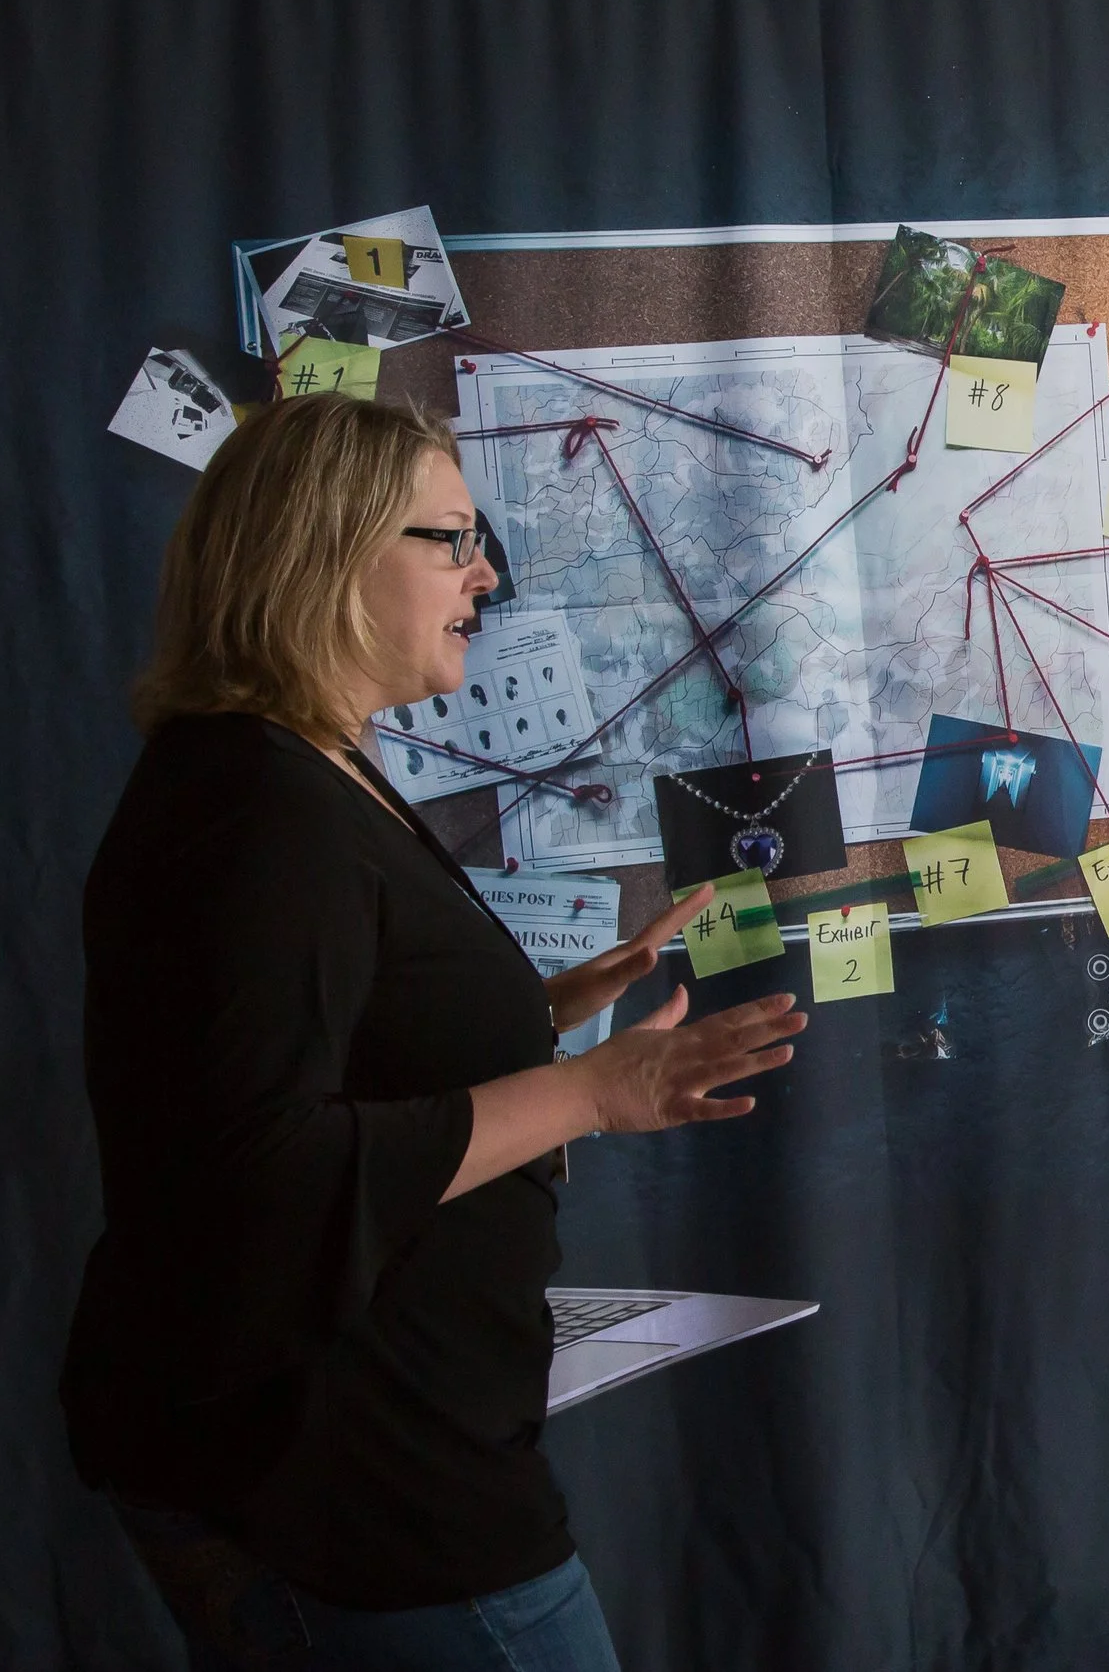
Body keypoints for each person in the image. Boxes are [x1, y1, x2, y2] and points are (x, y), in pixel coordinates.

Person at [63, 393, 807, 1671]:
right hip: (356, 1486)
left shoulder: (303, 769)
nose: (486, 575)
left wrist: (545, 1008)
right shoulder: (261, 810)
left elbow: (338, 1040)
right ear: (323, 551)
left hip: (362, 1458)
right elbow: (262, 1172)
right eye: (451, 538)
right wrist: (592, 1093)